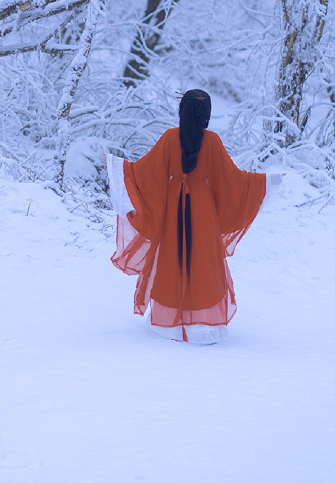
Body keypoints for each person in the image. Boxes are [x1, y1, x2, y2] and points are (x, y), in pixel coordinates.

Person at [107, 88, 281, 344]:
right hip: (203, 211)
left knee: (172, 259)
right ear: (206, 116)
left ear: (182, 113)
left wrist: (117, 167)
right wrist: (265, 182)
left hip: (173, 209)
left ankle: (169, 325)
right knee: (203, 262)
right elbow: (234, 181)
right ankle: (203, 322)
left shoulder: (169, 138)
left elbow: (145, 173)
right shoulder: (212, 142)